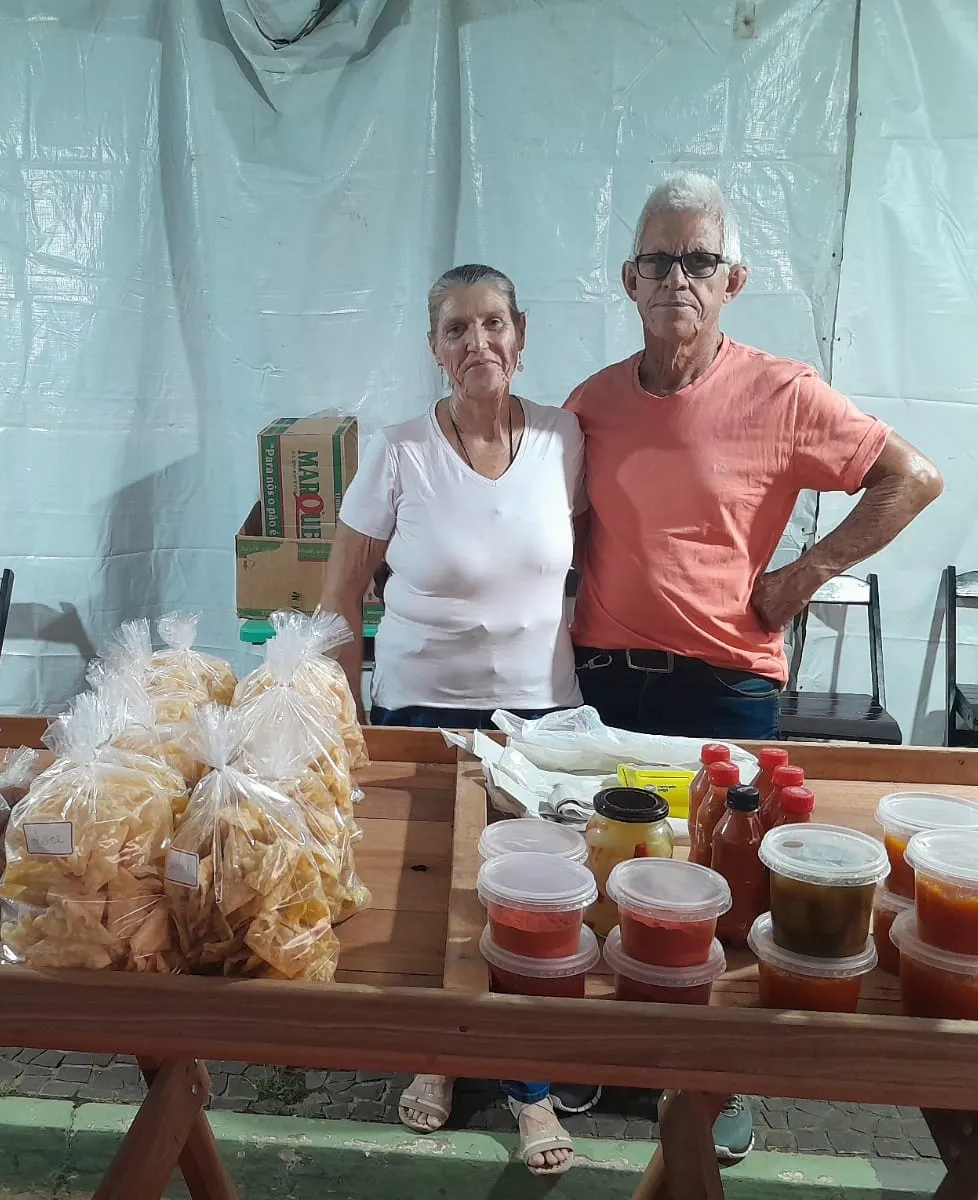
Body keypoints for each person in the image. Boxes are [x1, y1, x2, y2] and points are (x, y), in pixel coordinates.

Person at [568, 172, 944, 1163]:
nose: (677, 279)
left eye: (699, 260)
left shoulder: (781, 392)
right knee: (612, 873)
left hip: (725, 684)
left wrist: (807, 572)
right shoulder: (592, 403)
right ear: (628, 279)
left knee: (722, 894)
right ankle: (606, 1050)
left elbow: (912, 478)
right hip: (604, 677)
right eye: (659, 261)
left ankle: (708, 1082)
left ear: (732, 280)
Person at [320, 264, 587, 1175]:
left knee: (530, 907)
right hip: (421, 707)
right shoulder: (399, 451)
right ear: (435, 349)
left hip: (538, 715)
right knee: (428, 896)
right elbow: (339, 597)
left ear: (522, 333)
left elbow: (575, 555)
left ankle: (529, 1087)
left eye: (494, 324)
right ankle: (436, 1052)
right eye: (457, 330)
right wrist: (348, 730)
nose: (479, 343)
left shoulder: (561, 437)